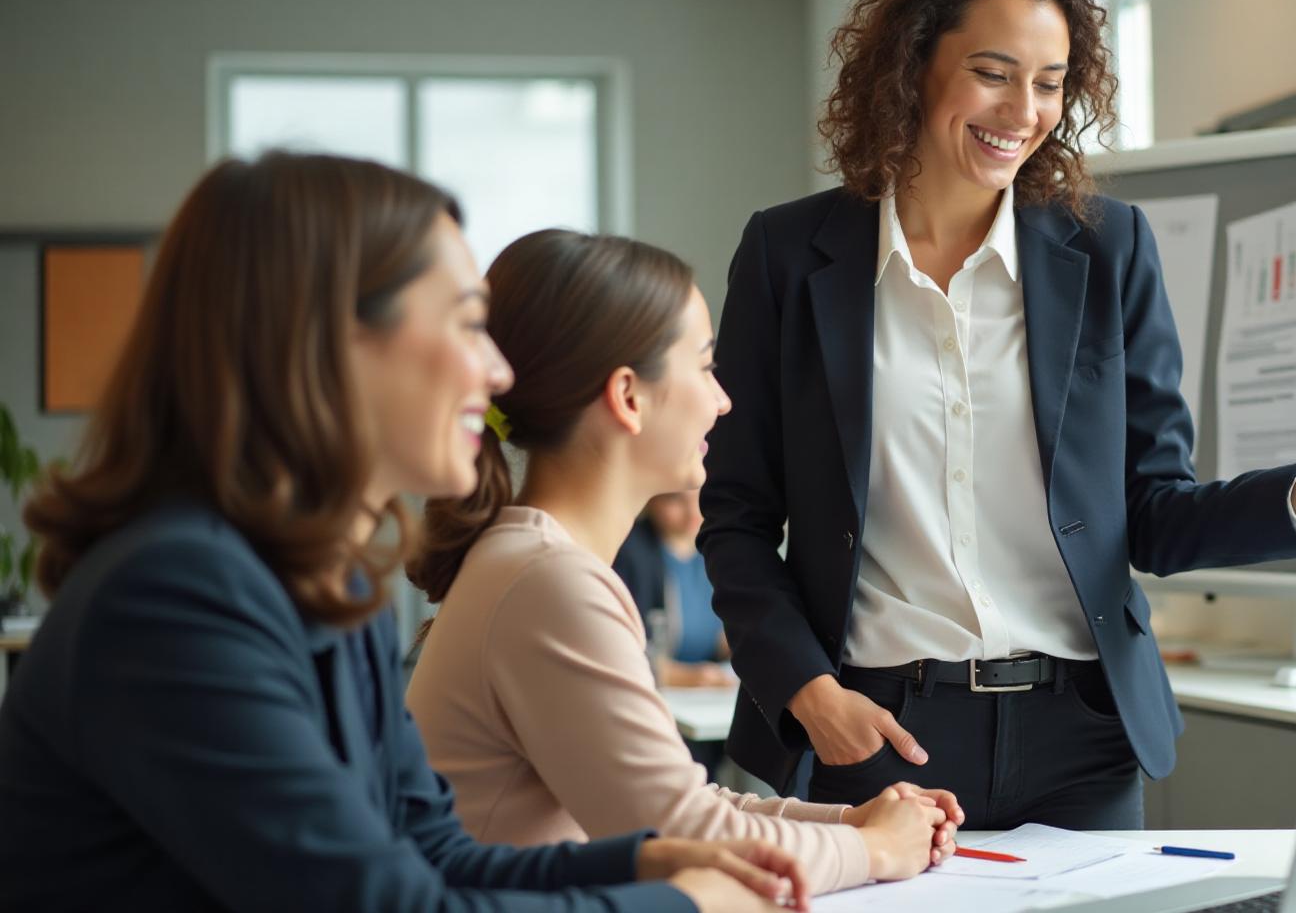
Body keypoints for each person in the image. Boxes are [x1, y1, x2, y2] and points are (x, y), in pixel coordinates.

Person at [700, 0, 1296, 828]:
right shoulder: (788, 254)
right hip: (879, 734)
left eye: (1050, 83)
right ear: (914, 64)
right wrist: (810, 693)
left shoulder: (1109, 248)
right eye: (992, 72)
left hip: (1080, 741)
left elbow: (1153, 514)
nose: (1023, 112)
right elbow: (736, 518)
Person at [0, 153, 797, 912]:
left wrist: (642, 861)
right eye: (465, 323)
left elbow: (430, 850)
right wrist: (676, 900)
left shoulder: (329, 585)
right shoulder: (174, 598)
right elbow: (376, 905)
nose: (497, 374)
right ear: (326, 345)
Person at [406, 229, 959, 898]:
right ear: (628, 396)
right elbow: (688, 836)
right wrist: (871, 849)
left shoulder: (536, 564)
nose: (722, 400)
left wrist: (853, 822)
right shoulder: (547, 582)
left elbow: (684, 808)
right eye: (703, 366)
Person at [613, 491, 734, 689]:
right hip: (655, 691)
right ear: (650, 499)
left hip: (712, 691)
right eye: (676, 499)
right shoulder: (629, 553)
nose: (693, 511)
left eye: (701, 496)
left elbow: (722, 636)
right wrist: (682, 677)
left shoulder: (715, 550)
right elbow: (619, 650)